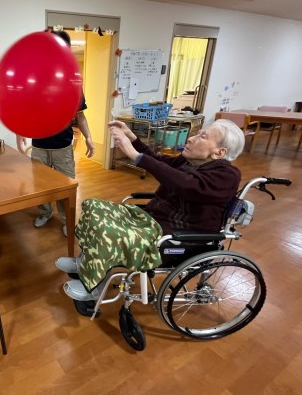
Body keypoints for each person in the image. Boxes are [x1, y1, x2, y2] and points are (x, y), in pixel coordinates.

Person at [56, 118, 245, 301]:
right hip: (152, 219)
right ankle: (85, 262)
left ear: (219, 153)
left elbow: (186, 185)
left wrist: (136, 156)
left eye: (203, 137)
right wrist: (132, 138)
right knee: (93, 206)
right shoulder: (190, 162)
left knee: (109, 232)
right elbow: (158, 160)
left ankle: (92, 287)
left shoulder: (227, 176)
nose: (191, 138)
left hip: (176, 237)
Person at [16, 30, 95, 237]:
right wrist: (19, 132)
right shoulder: (35, 81)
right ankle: (45, 213)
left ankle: (68, 220)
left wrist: (89, 137)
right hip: (40, 146)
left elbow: (80, 116)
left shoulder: (73, 84)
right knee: (40, 186)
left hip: (63, 147)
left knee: (65, 186)